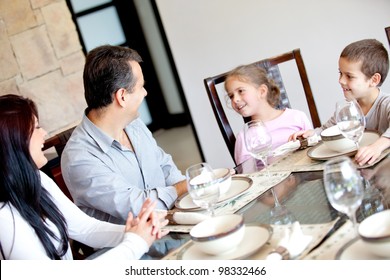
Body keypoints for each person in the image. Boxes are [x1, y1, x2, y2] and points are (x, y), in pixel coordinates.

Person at [0, 94, 169, 260]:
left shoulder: (37, 180)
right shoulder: (4, 219)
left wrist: (136, 230)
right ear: (13, 141)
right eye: (36, 127)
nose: (44, 132)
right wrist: (135, 242)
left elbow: (86, 228)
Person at [61, 45, 187, 224]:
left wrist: (194, 191)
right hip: (135, 246)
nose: (145, 92)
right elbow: (140, 209)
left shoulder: (133, 124)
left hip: (171, 224)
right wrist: (183, 187)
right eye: (141, 86)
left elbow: (165, 166)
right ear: (122, 96)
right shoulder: (79, 158)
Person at [289, 39, 390, 166]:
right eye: (340, 73)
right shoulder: (348, 110)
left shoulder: (386, 104)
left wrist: (376, 147)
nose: (341, 80)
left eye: (349, 76)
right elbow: (326, 129)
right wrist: (311, 134)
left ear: (374, 80)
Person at [224, 64, 313, 165]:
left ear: (262, 91)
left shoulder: (297, 117)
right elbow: (247, 174)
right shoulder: (244, 137)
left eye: (241, 91)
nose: (235, 99)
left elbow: (313, 149)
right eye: (231, 96)